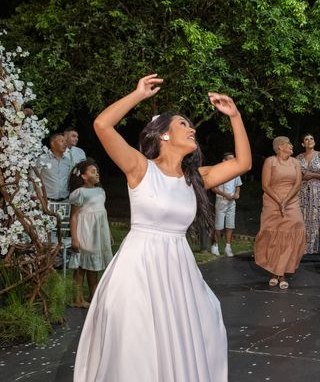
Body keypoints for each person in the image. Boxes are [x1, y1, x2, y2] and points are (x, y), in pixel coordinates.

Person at [74, 74, 251, 382]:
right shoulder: (140, 168)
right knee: (138, 346)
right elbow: (102, 125)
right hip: (139, 267)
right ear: (164, 135)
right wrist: (137, 94)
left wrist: (235, 117)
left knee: (186, 336)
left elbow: (243, 164)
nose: (192, 128)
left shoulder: (195, 178)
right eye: (184, 124)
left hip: (178, 269)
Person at [254, 136, 305, 289]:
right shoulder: (270, 161)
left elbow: (297, 184)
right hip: (272, 202)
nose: (291, 146)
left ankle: (282, 273)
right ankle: (274, 272)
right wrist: (278, 201)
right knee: (273, 236)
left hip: (291, 203)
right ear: (280, 147)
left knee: (292, 234)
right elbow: (265, 185)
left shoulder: (295, 162)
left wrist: (286, 201)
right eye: (288, 144)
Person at [68, 159, 113, 308]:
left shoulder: (100, 191)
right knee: (81, 266)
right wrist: (74, 238)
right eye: (93, 172)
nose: (97, 174)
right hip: (85, 231)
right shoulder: (79, 193)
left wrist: (109, 233)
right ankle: (77, 299)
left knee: (94, 264)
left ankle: (94, 297)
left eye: (97, 171)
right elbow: (74, 216)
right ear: (84, 176)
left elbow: (103, 213)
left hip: (98, 232)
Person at [296, 133, 320, 262]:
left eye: (311, 138)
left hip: (318, 193)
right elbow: (294, 175)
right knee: (302, 219)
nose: (309, 140)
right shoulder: (298, 158)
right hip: (303, 193)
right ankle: (302, 249)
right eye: (306, 139)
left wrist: (312, 175)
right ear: (302, 144)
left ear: (314, 142)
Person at [210, 152, 242, 257]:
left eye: (234, 159)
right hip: (221, 202)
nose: (233, 161)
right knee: (218, 226)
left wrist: (237, 193)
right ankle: (215, 246)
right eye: (230, 159)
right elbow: (213, 187)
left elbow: (238, 185)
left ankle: (228, 247)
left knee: (230, 226)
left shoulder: (235, 172)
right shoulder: (218, 172)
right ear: (224, 161)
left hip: (232, 202)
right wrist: (224, 194)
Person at [39, 132, 73, 202]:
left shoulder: (68, 161)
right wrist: (36, 197)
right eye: (61, 141)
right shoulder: (42, 159)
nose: (65, 144)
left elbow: (70, 179)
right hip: (46, 201)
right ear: (53, 144)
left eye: (65, 142)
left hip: (65, 201)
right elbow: (33, 179)